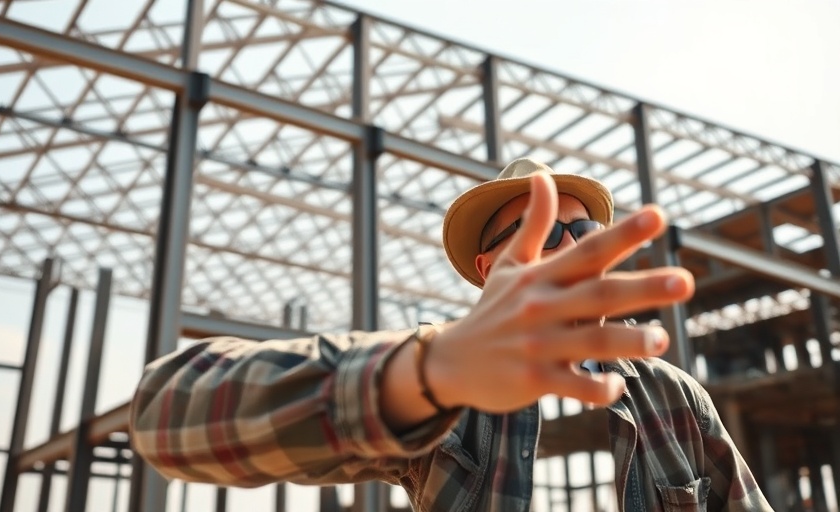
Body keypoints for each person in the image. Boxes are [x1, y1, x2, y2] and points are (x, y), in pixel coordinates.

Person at [130, 158, 772, 511]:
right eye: (544, 233)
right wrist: (429, 371)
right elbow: (168, 414)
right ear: (491, 270)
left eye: (583, 233)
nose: (573, 247)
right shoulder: (445, 384)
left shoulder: (674, 399)